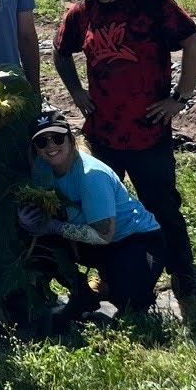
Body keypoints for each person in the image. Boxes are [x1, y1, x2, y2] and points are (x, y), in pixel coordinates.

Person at [53, 0, 196, 316]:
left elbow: (195, 42)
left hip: (147, 133)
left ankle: (187, 286)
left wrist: (180, 98)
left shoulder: (153, 3)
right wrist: (76, 91)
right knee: (98, 210)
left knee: (163, 209)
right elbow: (60, 52)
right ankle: (108, 279)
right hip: (102, 134)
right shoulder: (82, 12)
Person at [19, 109, 166, 321]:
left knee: (129, 303)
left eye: (57, 138)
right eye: (42, 142)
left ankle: (124, 285)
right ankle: (81, 292)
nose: (50, 146)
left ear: (70, 139)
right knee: (38, 244)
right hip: (93, 241)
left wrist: (53, 227)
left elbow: (103, 235)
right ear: (35, 148)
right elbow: (42, 205)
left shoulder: (91, 176)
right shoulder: (42, 168)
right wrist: (28, 217)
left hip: (134, 239)